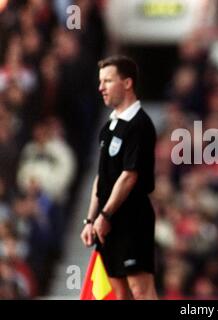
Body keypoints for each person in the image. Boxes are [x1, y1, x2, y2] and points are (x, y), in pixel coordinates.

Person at [80, 55, 158, 300]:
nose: (100, 87)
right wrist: (90, 219)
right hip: (107, 221)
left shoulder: (140, 124)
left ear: (127, 83)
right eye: (100, 81)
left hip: (132, 217)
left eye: (108, 81)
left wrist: (106, 215)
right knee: (118, 292)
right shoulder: (109, 127)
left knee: (140, 289)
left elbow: (129, 176)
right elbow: (100, 178)